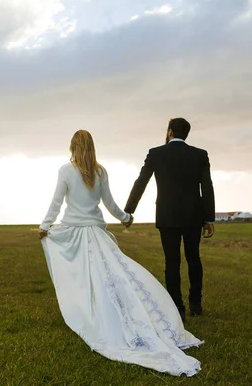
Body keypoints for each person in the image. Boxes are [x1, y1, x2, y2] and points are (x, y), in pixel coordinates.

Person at [38, 130, 202, 377]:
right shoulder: (100, 171)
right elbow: (109, 203)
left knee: (85, 277)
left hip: (76, 233)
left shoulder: (66, 170)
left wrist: (44, 225)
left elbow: (57, 202)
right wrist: (125, 218)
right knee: (111, 276)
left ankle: (90, 313)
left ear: (73, 146)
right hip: (95, 231)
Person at [125, 118, 215, 321]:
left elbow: (141, 182)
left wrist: (129, 210)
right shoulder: (200, 155)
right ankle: (196, 304)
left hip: (167, 215)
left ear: (170, 132)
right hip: (194, 216)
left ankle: (177, 307)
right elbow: (207, 187)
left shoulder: (156, 153)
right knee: (194, 259)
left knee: (172, 262)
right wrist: (209, 217)